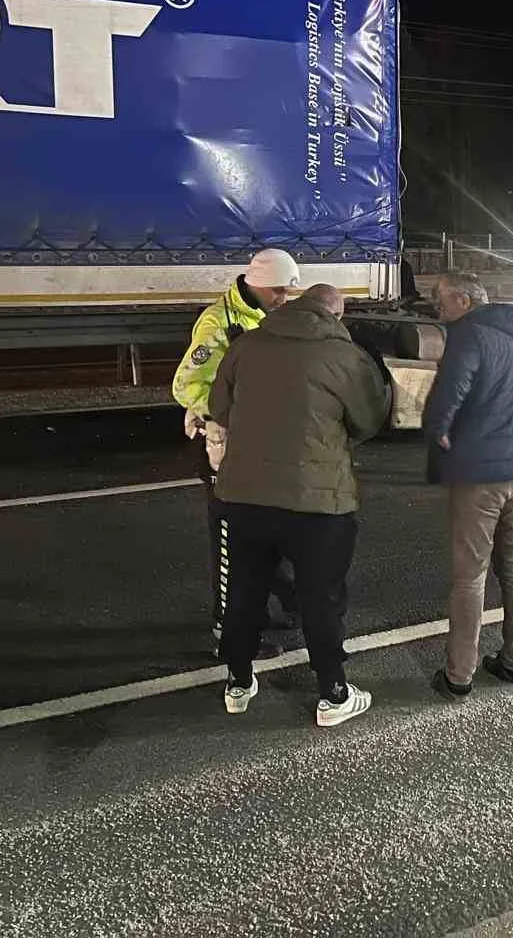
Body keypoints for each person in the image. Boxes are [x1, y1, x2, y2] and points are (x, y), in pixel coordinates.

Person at [209, 284, 389, 726]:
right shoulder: (346, 357)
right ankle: (332, 693)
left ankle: (238, 682)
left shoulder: (246, 345)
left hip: (245, 493)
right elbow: (368, 420)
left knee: (245, 590)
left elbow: (219, 407)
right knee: (321, 596)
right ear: (336, 315)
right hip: (319, 500)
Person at [423, 271, 513, 699]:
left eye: (441, 300)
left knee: (469, 574)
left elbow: (450, 390)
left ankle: (459, 675)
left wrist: (438, 429)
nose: (437, 308)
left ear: (464, 300)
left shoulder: (469, 333)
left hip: (480, 470)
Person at [173, 248, 303, 660]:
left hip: (258, 448)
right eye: (278, 290)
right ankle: (231, 634)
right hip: (224, 451)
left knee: (266, 535)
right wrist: (231, 413)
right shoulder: (219, 323)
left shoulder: (265, 315)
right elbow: (185, 386)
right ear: (258, 284)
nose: (284, 298)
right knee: (232, 547)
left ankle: (274, 609)